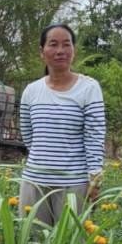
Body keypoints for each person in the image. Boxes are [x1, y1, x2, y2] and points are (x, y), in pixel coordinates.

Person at [18, 24, 107, 225]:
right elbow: (28, 135)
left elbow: (94, 136)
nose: (60, 51)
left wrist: (94, 179)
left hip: (74, 186)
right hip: (34, 183)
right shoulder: (31, 91)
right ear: (42, 52)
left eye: (66, 45)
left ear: (73, 51)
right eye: (53, 44)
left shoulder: (89, 88)